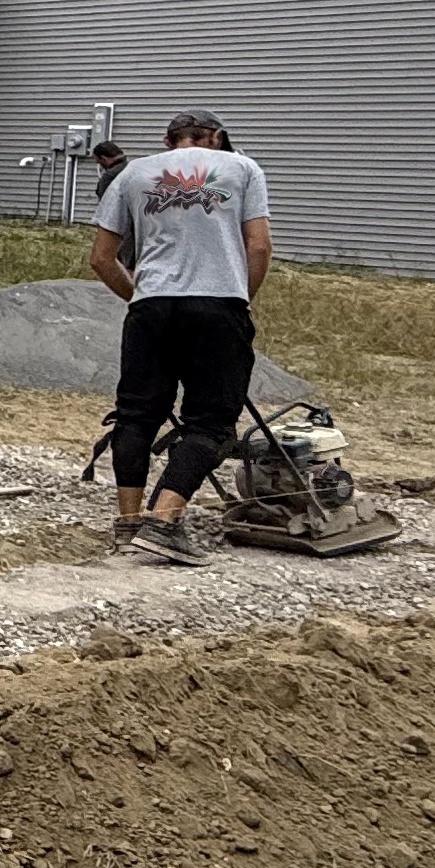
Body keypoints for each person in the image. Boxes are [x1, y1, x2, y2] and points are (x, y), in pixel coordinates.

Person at [88, 110, 272, 566]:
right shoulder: (243, 168)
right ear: (216, 138)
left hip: (151, 308)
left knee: (136, 415)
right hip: (217, 305)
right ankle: (164, 523)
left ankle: (128, 525)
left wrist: (140, 297)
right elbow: (260, 245)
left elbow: (100, 259)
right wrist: (241, 299)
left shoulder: (132, 173)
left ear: (168, 141)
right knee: (211, 421)